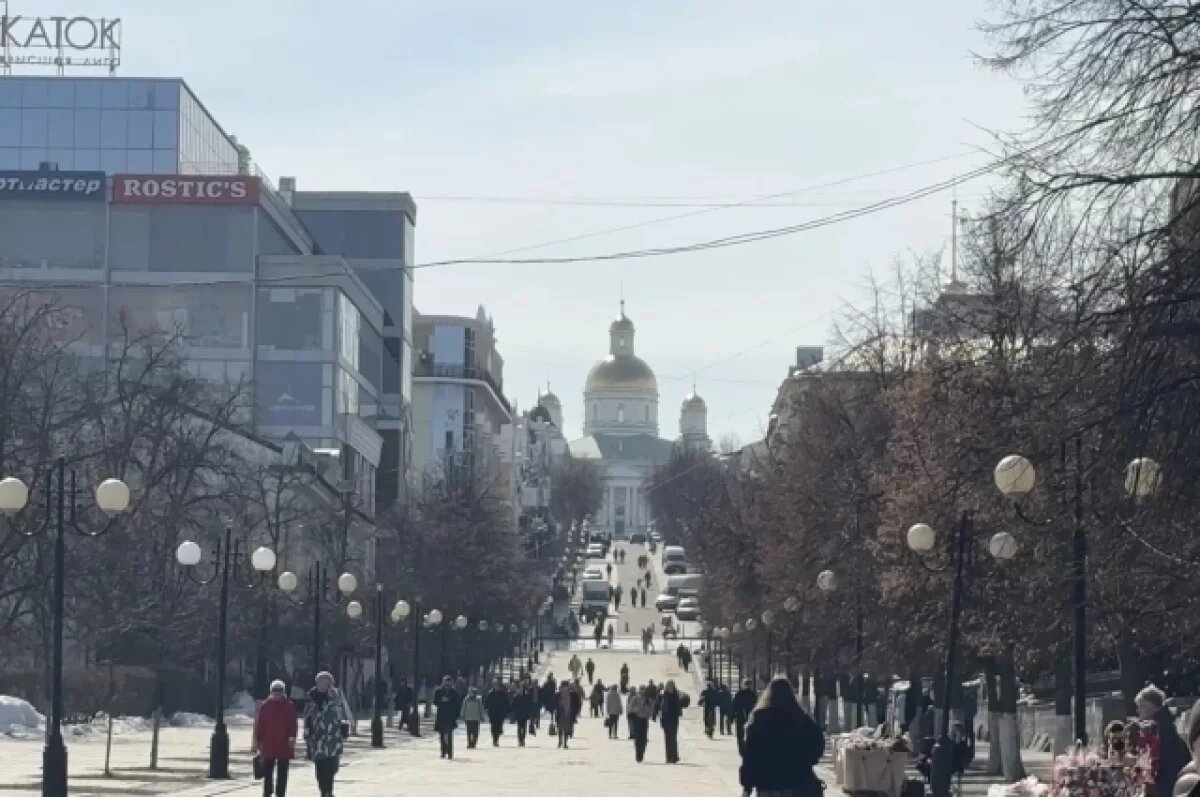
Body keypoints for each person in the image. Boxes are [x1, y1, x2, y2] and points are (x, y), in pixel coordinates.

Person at [739, 677, 825, 797]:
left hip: (767, 786)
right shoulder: (802, 719)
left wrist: (747, 787)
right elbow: (817, 748)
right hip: (798, 784)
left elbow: (750, 758)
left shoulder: (759, 721)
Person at [1138, 686, 1190, 797]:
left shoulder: (1162, 732)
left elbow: (1164, 768)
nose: (1138, 711)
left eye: (1141, 706)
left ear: (1151, 706)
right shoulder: (1161, 729)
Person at [303, 672, 347, 797]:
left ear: (330, 683)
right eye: (320, 681)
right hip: (317, 738)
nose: (322, 684)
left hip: (333, 737)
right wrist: (307, 733)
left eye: (325, 681)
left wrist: (345, 726)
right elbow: (306, 717)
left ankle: (328, 790)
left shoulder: (337, 695)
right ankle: (324, 790)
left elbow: (344, 712)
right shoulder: (311, 696)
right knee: (320, 768)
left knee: (332, 767)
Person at [253, 679, 297, 797]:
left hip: (284, 743)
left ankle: (280, 793)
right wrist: (258, 740)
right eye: (275, 691)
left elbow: (293, 723)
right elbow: (260, 724)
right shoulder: (265, 706)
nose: (277, 693)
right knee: (268, 772)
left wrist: (292, 737)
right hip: (269, 743)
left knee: (282, 772)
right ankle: (267, 792)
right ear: (271, 691)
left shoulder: (289, 706)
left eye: (280, 691)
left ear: (283, 692)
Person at [655, 679, 685, 763]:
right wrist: (654, 714)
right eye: (668, 686)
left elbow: (682, 702)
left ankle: (674, 757)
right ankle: (669, 757)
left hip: (674, 719)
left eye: (671, 686)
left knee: (673, 738)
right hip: (665, 719)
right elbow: (657, 705)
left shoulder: (676, 695)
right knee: (667, 739)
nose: (670, 687)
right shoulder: (662, 695)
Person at [433, 675, 461, 759]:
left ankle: (450, 752)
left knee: (449, 735)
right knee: (442, 735)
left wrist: (456, 715)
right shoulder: (438, 691)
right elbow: (435, 702)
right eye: (445, 682)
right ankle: (443, 751)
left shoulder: (454, 692)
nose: (447, 684)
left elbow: (457, 704)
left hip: (450, 716)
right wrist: (441, 700)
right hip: (441, 715)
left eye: (449, 682)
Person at [631, 685, 655, 763]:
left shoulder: (647, 699)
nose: (642, 691)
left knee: (644, 738)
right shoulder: (635, 698)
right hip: (637, 719)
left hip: (644, 720)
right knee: (637, 738)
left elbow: (651, 708)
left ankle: (642, 753)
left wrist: (647, 711)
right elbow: (630, 708)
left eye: (643, 690)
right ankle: (638, 755)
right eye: (641, 689)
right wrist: (638, 709)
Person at [733, 679, 757, 754]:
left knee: (740, 733)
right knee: (748, 733)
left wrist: (733, 714)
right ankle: (747, 748)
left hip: (741, 716)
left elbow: (734, 705)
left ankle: (741, 748)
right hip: (750, 717)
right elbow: (756, 706)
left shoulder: (739, 694)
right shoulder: (753, 694)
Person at [484, 679, 510, 747]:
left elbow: (506, 703)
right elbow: (486, 702)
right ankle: (494, 740)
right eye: (495, 685)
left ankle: (497, 739)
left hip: (500, 713)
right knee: (493, 727)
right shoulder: (491, 693)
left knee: (499, 726)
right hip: (492, 713)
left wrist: (507, 711)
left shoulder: (503, 693)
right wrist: (486, 709)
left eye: (498, 685)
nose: (496, 687)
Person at [512, 681, 534, 746]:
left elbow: (529, 705)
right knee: (519, 727)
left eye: (523, 688)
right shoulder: (516, 696)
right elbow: (513, 705)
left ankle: (523, 739)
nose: (522, 689)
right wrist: (514, 712)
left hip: (524, 714)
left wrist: (529, 713)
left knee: (524, 727)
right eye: (521, 688)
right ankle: (520, 740)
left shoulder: (527, 696)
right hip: (519, 714)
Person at [556, 681, 574, 749]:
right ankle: (565, 743)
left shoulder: (558, 694)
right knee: (566, 729)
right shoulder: (570, 694)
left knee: (560, 728)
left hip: (560, 712)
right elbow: (574, 704)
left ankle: (560, 741)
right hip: (567, 713)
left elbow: (555, 703)